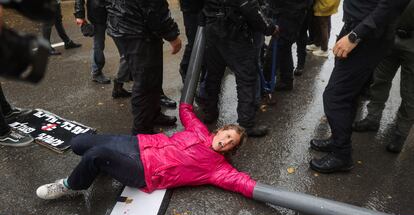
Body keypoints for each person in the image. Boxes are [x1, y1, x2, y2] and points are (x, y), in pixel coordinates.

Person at [36, 102, 257, 201]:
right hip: (140, 144)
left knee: (95, 155)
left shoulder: (218, 168)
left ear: (231, 150)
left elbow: (242, 183)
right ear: (219, 131)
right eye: (227, 135)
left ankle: (70, 185)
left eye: (231, 143)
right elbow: (186, 110)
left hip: (145, 171)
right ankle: (102, 167)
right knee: (78, 143)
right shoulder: (200, 130)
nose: (226, 142)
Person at [309, 0, 410, 174]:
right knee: (348, 95)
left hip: (366, 36)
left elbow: (390, 6)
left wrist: (355, 36)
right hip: (358, 29)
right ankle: (338, 140)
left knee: (335, 97)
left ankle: (342, 154)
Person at [201, 0, 278, 137]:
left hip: (213, 28)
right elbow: (250, 8)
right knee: (246, 78)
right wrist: (270, 28)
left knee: (213, 74)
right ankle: (246, 124)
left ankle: (209, 111)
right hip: (233, 33)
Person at [106, 0, 182, 135]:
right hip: (136, 30)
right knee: (144, 83)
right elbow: (154, 8)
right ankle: (142, 131)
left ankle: (152, 116)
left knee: (151, 79)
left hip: (130, 25)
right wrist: (172, 35)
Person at [352, 0, 414, 154]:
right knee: (379, 80)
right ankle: (372, 118)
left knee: (409, 92)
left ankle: (401, 133)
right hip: (391, 36)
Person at [74, 0, 111, 84]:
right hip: (98, 13)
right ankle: (96, 72)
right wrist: (79, 15)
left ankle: (127, 69)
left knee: (124, 42)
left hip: (113, 11)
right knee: (99, 44)